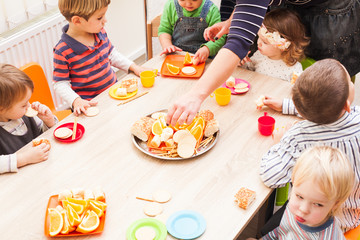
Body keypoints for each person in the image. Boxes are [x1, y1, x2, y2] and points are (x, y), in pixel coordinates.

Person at [167, 0, 360, 126]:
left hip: (330, 11)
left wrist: (196, 94)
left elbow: (239, 41)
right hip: (289, 7)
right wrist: (232, 21)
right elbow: (239, 4)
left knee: (331, 96)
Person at [259, 59, 360, 233]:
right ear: (346, 104)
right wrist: (285, 106)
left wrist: (280, 143)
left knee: (263, 232)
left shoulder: (300, 136)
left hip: (318, 223)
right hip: (353, 214)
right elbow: (327, 110)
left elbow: (271, 176)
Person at [54, 0, 153, 115]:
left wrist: (133, 67)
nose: (105, 20)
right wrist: (76, 101)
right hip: (89, 107)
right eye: (99, 18)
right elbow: (60, 83)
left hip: (112, 95)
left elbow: (111, 54)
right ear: (77, 20)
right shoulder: (62, 50)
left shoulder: (99, 32)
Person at [248, 146, 355, 240]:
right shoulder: (293, 209)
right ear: (293, 182)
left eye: (318, 204)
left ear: (335, 204)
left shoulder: (328, 237)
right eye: (299, 196)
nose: (303, 209)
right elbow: (282, 231)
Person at [0, 64, 57, 174]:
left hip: (44, 170)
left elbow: (45, 135)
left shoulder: (25, 115)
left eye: (28, 101)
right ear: (2, 109)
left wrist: (49, 121)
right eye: (23, 105)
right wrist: (25, 158)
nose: (29, 105)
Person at [240, 9, 309, 82]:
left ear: (284, 46)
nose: (258, 43)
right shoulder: (259, 55)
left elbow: (298, 90)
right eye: (259, 37)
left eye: (265, 42)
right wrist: (242, 62)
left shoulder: (293, 69)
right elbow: (248, 70)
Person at [158, 0, 226, 64]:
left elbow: (220, 36)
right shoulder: (170, 6)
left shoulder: (211, 10)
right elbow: (164, 30)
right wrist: (167, 45)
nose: (188, 4)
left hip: (203, 59)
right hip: (176, 57)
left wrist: (207, 49)